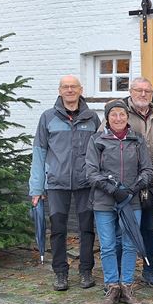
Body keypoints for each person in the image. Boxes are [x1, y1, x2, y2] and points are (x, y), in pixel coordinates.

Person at [28, 75, 100, 291]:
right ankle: (60, 273)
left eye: (73, 87)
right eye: (65, 87)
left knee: (87, 229)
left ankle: (86, 271)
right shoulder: (48, 117)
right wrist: (37, 187)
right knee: (58, 230)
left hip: (85, 182)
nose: (70, 90)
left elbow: (101, 152)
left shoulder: (92, 118)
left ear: (81, 90)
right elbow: (39, 153)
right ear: (60, 91)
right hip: (56, 183)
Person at [85, 100, 153, 304]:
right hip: (104, 201)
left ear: (127, 117)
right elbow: (91, 173)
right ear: (107, 117)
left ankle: (126, 286)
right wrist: (113, 190)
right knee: (107, 245)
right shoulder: (97, 140)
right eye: (113, 114)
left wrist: (133, 188)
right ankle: (112, 287)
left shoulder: (137, 140)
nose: (118, 118)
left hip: (131, 201)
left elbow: (147, 170)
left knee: (130, 243)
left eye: (122, 114)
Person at [122, 77, 153, 290]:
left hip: (150, 184)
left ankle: (149, 270)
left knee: (148, 229)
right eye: (139, 90)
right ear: (131, 91)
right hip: (126, 184)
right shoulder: (120, 113)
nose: (143, 94)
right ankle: (121, 276)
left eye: (147, 91)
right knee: (125, 228)